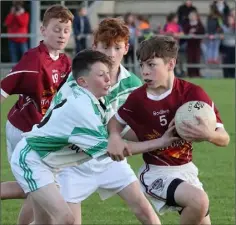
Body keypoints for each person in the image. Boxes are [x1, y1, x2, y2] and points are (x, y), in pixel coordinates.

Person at [10, 49, 177, 225]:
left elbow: (122, 131)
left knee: (45, 222)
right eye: (101, 75)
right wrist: (161, 141)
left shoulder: (96, 99)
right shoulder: (82, 109)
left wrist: (160, 129)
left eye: (108, 74)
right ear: (83, 81)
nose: (108, 79)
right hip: (31, 160)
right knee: (65, 219)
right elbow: (118, 149)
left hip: (51, 165)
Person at [107, 35, 230, 225]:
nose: (145, 72)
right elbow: (115, 122)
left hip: (187, 170)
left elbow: (224, 138)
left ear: (170, 64)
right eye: (142, 66)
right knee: (200, 200)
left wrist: (209, 135)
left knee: (200, 209)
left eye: (151, 65)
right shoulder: (138, 99)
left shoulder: (193, 94)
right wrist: (114, 136)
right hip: (157, 172)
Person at [54, 18, 162, 225]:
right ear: (95, 47)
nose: (111, 54)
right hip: (73, 161)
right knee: (68, 221)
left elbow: (132, 128)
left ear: (126, 48)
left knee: (145, 211)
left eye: (117, 47)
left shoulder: (134, 85)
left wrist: (157, 129)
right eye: (105, 47)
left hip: (110, 161)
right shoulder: (78, 79)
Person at [1, 4, 73, 225]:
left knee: (36, 189)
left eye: (66, 30)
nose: (62, 35)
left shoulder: (65, 62)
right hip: (22, 130)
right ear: (43, 31)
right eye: (56, 29)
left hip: (41, 133)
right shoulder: (34, 59)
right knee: (41, 187)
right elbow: (4, 89)